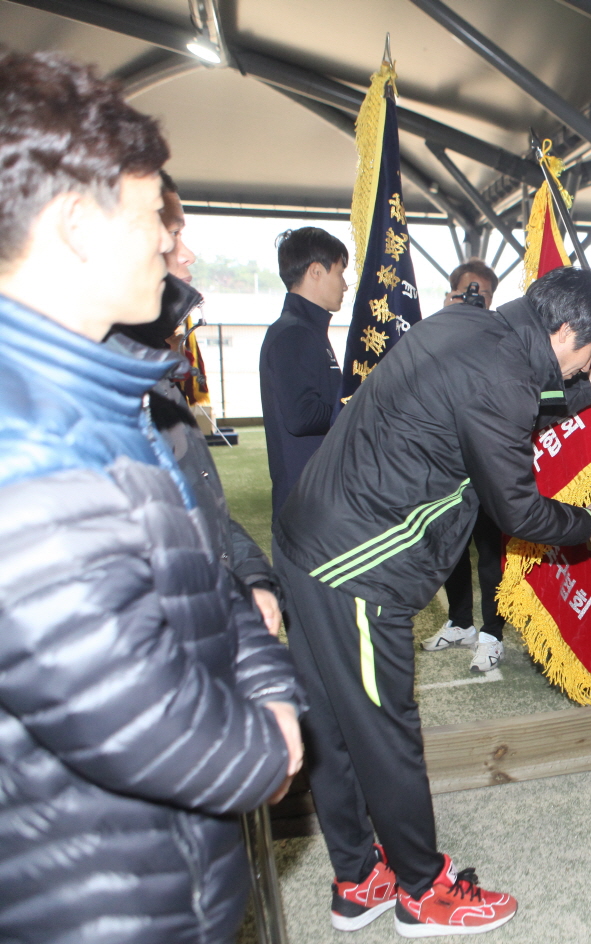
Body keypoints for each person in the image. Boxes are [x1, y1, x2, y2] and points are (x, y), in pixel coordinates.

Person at [0, 50, 302, 944]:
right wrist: (268, 745)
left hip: (162, 861)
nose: (174, 244)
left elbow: (203, 570)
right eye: (150, 216)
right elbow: (105, 685)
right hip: (88, 890)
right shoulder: (24, 428)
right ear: (75, 228)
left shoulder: (108, 390)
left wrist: (267, 687)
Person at [274, 266, 591, 936]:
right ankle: (422, 890)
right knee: (385, 730)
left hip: (308, 538)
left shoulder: (469, 324)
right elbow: (518, 507)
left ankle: (358, 878)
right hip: (356, 563)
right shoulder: (500, 377)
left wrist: (589, 387)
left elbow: (516, 390)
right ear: (564, 330)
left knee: (333, 722)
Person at [109, 171, 283, 636]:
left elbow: (200, 506)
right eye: (172, 232)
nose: (186, 252)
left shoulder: (151, 372)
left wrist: (252, 577)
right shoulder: (104, 388)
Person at [423, 261, 511, 673]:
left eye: (486, 294)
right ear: (453, 293)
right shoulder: (437, 330)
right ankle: (461, 622)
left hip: (490, 464)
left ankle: (493, 634)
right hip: (447, 463)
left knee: (492, 555)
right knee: (451, 549)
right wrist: (446, 316)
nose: (478, 299)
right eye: (468, 291)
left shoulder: (502, 336)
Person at [259, 225, 348, 517]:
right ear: (316, 272)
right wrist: (359, 404)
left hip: (317, 501)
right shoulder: (294, 334)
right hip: (307, 511)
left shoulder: (306, 331)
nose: (345, 285)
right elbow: (302, 416)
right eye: (340, 272)